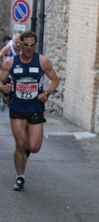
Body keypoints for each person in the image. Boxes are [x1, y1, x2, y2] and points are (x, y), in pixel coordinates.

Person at [0, 30, 59, 191]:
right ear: (20, 44)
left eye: (32, 45)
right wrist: (2, 87)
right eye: (26, 44)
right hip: (17, 107)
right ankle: (20, 177)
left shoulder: (42, 61)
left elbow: (55, 79)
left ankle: (23, 152)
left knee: (33, 147)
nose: (28, 48)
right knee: (20, 142)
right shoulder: (11, 63)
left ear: (35, 45)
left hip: (35, 108)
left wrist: (46, 93)